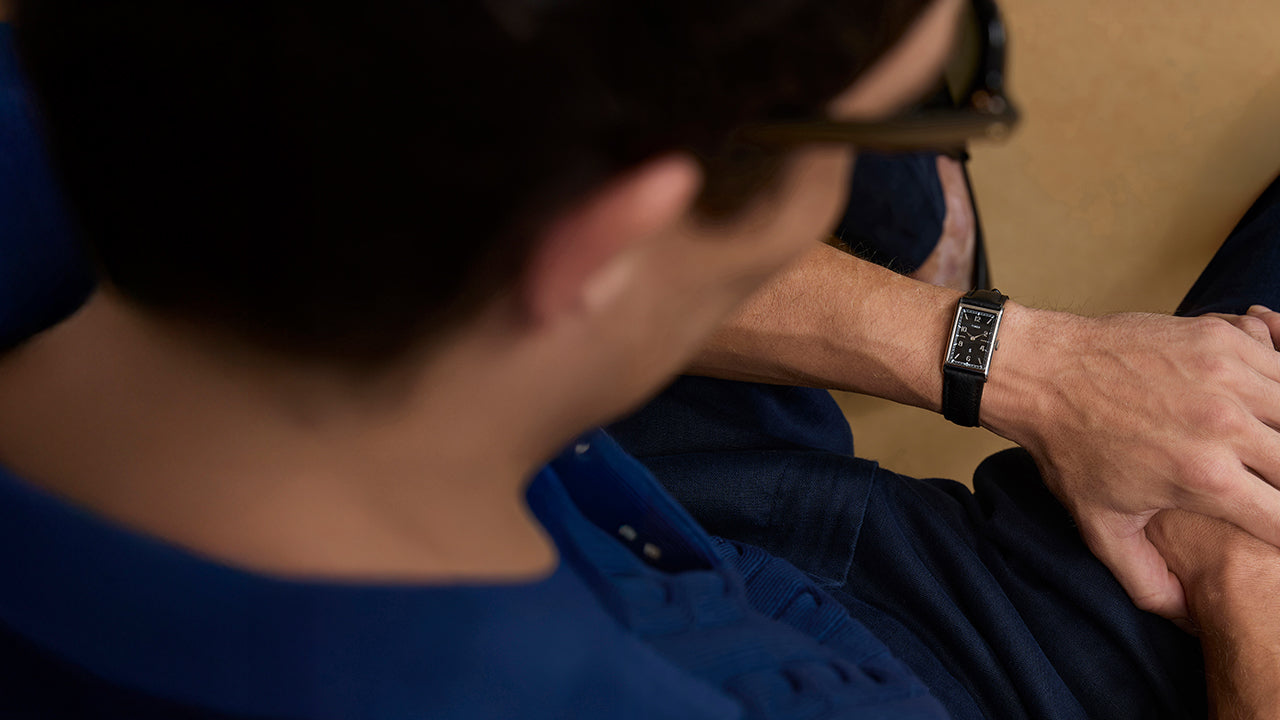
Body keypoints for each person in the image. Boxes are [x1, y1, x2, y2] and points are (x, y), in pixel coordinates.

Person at [2, 1, 1280, 719]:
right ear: (608, 245)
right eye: (934, 93)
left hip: (650, 506)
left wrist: (1021, 362)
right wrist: (1243, 589)